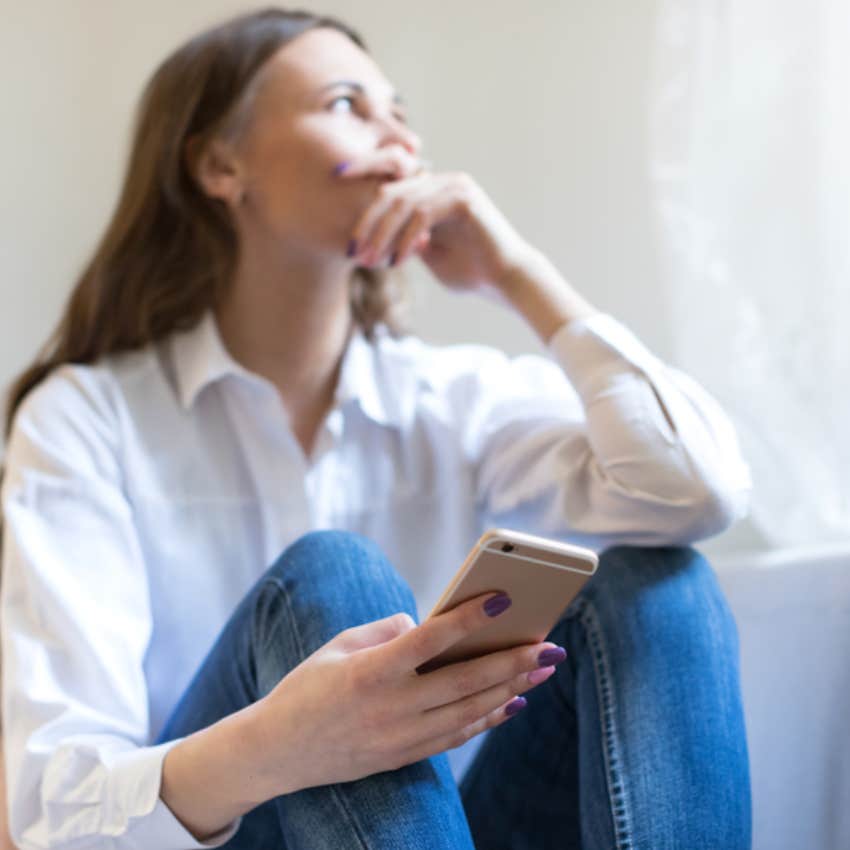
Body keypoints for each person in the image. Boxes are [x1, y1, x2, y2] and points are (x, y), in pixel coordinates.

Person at [0, 7, 754, 849]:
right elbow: (46, 817)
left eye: (401, 111)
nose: (396, 135)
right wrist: (281, 746)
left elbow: (696, 491)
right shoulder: (87, 420)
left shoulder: (450, 397)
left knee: (662, 584)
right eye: (348, 103)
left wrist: (517, 274)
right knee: (334, 578)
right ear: (220, 164)